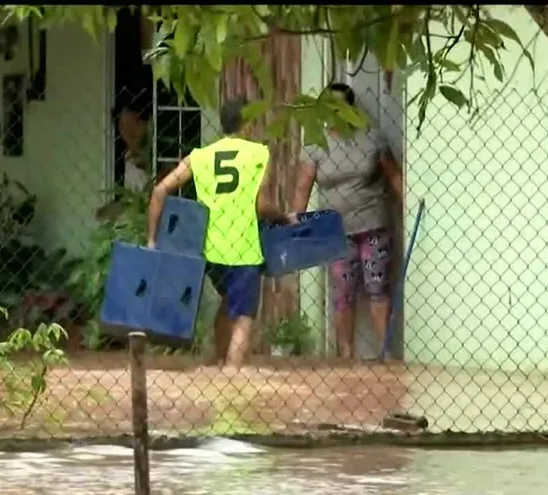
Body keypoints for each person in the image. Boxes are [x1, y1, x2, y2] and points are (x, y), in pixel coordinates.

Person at [146, 95, 292, 369]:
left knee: (227, 301)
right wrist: (284, 217)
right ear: (247, 123)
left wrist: (153, 240)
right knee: (244, 317)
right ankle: (232, 374)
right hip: (244, 248)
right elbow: (261, 205)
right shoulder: (259, 153)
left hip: (210, 249)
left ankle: (216, 360)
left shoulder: (199, 156)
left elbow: (159, 191)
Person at [291, 82, 404, 360]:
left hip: (373, 224)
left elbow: (395, 177)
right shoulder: (315, 144)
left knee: (377, 288)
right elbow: (302, 188)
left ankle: (385, 354)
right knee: (343, 293)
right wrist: (296, 224)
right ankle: (346, 355)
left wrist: (410, 207)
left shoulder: (372, 138)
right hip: (336, 231)